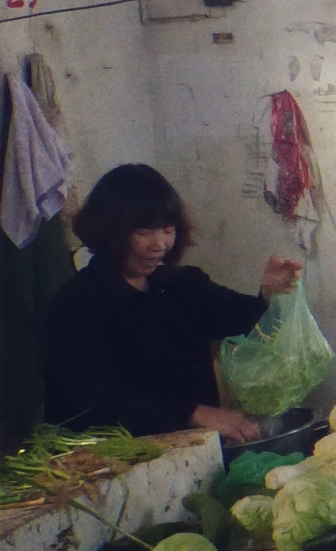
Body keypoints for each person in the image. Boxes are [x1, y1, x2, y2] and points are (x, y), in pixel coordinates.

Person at [42, 163, 302, 442]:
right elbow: (98, 396)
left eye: (167, 230)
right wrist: (195, 413)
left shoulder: (181, 285)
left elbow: (240, 320)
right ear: (110, 231)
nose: (159, 244)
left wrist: (269, 293)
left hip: (195, 449)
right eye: (144, 232)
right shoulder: (77, 304)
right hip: (116, 458)